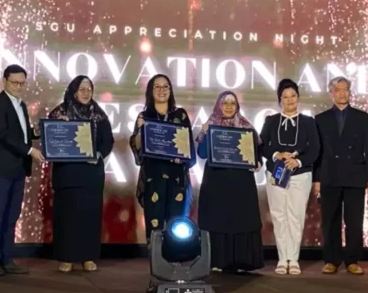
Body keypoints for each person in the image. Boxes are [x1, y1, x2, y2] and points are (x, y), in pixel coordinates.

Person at [0, 64, 44, 277]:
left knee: (11, 217)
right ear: (4, 81)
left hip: (18, 170)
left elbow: (21, 133)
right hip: (0, 170)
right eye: (14, 82)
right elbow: (4, 135)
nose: (18, 86)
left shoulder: (21, 105)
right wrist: (30, 150)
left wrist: (38, 132)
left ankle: (7, 260)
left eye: (22, 83)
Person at [47, 75, 114, 273]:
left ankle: (88, 257)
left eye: (89, 89)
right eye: (82, 89)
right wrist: (60, 126)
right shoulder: (59, 113)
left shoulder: (99, 114)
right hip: (67, 174)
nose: (86, 93)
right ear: (74, 91)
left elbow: (108, 141)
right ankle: (67, 258)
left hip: (91, 174)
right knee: (66, 217)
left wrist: (98, 154)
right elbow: (50, 139)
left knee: (89, 217)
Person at [196, 91, 264, 274]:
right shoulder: (210, 125)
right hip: (216, 182)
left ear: (237, 106)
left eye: (232, 103)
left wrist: (257, 162)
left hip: (241, 182)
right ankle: (217, 260)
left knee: (241, 219)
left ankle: (242, 261)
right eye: (224, 102)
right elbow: (202, 153)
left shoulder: (246, 127)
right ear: (218, 105)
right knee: (217, 219)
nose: (228, 106)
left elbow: (256, 154)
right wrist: (204, 132)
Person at [313, 77, 368, 275]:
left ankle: (352, 260)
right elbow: (318, 152)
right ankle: (331, 260)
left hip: (355, 175)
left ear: (350, 92)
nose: (342, 93)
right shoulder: (320, 119)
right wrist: (317, 179)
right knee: (330, 221)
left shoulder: (362, 117)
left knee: (354, 221)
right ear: (331, 93)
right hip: (329, 175)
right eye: (338, 89)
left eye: (345, 89)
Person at [260, 79, 320, 275]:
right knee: (279, 216)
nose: (290, 100)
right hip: (276, 173)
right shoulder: (271, 121)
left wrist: (298, 162)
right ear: (280, 100)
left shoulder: (308, 122)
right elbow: (262, 146)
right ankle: (282, 258)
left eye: (293, 96)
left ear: (298, 98)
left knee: (296, 216)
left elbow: (315, 149)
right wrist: (276, 155)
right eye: (285, 97)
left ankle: (293, 259)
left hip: (300, 175)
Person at [129, 74, 197, 243]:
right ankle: (156, 256)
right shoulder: (144, 116)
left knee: (177, 226)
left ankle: (176, 256)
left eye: (165, 86)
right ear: (150, 91)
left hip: (176, 178)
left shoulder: (180, 115)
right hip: (154, 177)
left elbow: (188, 147)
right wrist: (140, 130)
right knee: (155, 225)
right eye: (157, 87)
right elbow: (137, 147)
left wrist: (182, 157)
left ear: (170, 90)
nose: (161, 90)